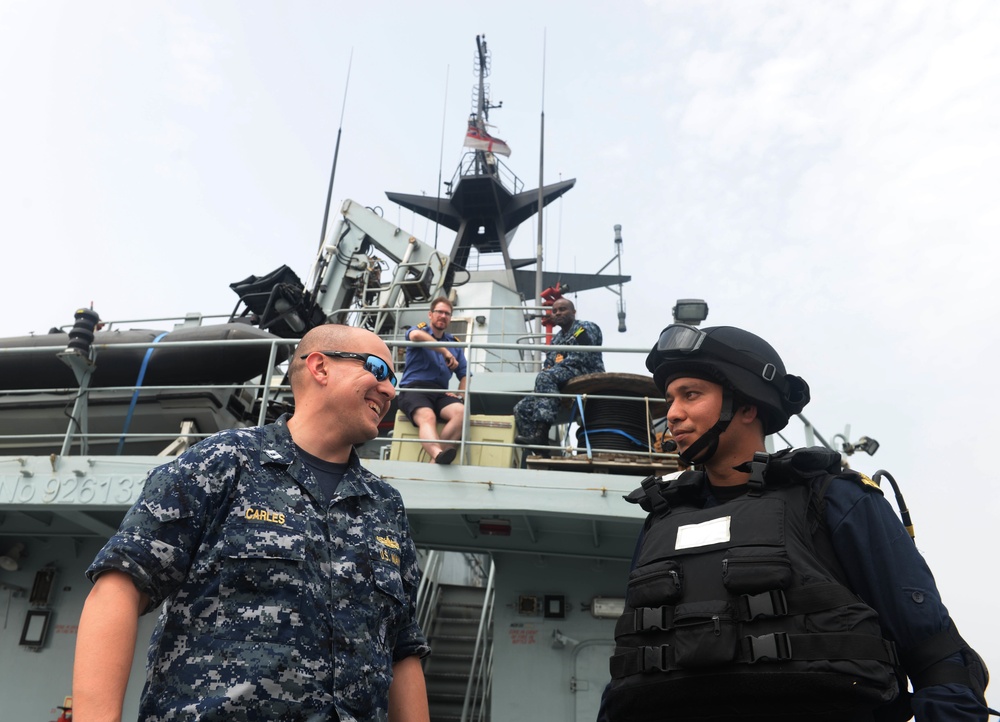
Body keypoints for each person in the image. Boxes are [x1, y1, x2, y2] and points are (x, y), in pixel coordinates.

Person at [600, 324, 992, 722]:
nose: (673, 414)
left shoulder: (836, 500)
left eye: (691, 395)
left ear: (748, 405)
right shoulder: (660, 522)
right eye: (670, 399)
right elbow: (630, 671)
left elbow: (934, 654)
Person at [73, 324, 431, 722]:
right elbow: (119, 587)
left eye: (395, 380)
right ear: (320, 367)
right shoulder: (224, 462)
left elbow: (401, 648)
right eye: (379, 370)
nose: (390, 390)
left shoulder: (385, 506)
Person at [513, 298, 604, 447]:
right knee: (521, 408)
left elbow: (582, 356)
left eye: (562, 309)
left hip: (585, 372)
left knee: (545, 377)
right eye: (554, 311)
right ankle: (539, 449)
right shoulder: (557, 340)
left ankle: (541, 434)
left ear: (573, 312)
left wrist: (553, 369)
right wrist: (551, 368)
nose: (557, 313)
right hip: (563, 377)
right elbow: (549, 363)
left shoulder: (584, 328)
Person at [397, 297, 468, 465]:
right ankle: (438, 454)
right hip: (415, 389)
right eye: (439, 312)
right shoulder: (420, 331)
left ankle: (435, 461)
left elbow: (465, 374)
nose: (443, 316)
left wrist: (460, 395)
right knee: (427, 417)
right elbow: (414, 336)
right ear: (430, 314)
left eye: (447, 314)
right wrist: (444, 352)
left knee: (461, 411)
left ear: (450, 318)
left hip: (440, 392)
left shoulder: (454, 343)